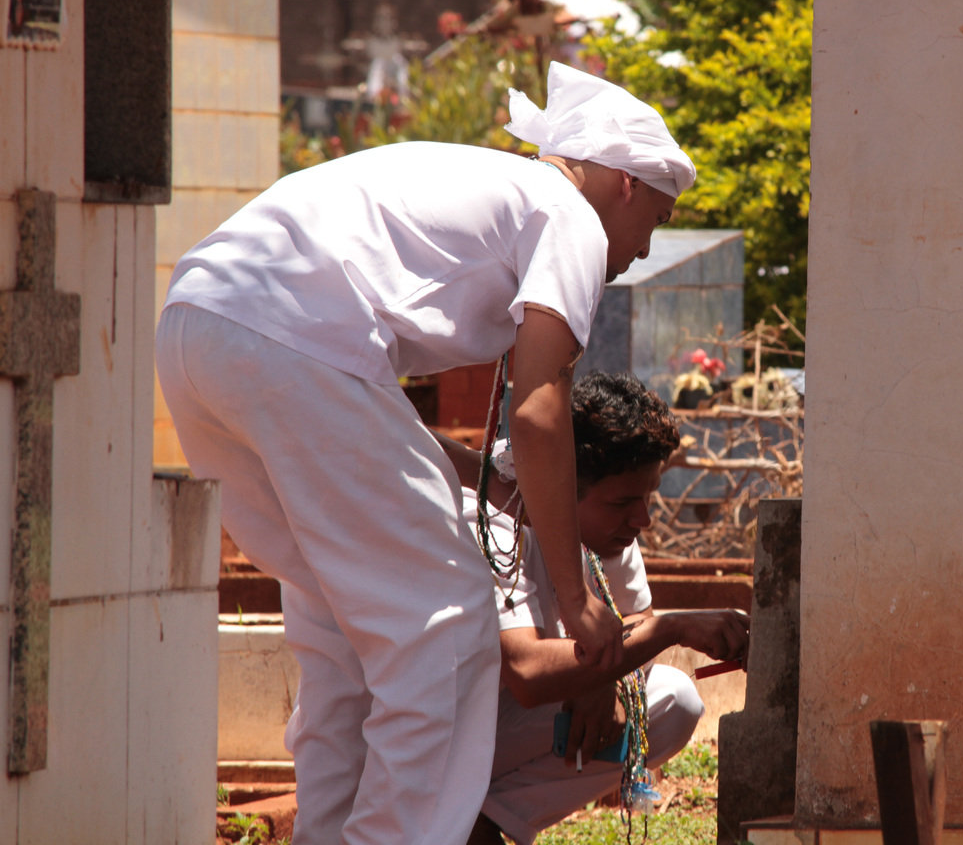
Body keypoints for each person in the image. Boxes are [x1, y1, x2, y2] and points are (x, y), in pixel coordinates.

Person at [155, 63, 695, 845]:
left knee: (343, 631)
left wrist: (484, 477)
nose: (644, 250)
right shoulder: (566, 215)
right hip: (298, 340)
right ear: (623, 184)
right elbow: (541, 411)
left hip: (200, 326)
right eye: (657, 216)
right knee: (445, 620)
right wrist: (577, 598)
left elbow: (396, 430)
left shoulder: (499, 192)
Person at [463, 372, 750, 845]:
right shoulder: (494, 517)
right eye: (622, 503)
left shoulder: (608, 526)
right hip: (444, 726)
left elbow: (632, 618)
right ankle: (453, 812)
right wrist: (669, 630)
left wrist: (606, 676)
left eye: (646, 497)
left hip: (503, 728)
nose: (643, 519)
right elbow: (528, 673)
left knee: (674, 700)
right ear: (563, 484)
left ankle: (484, 818)